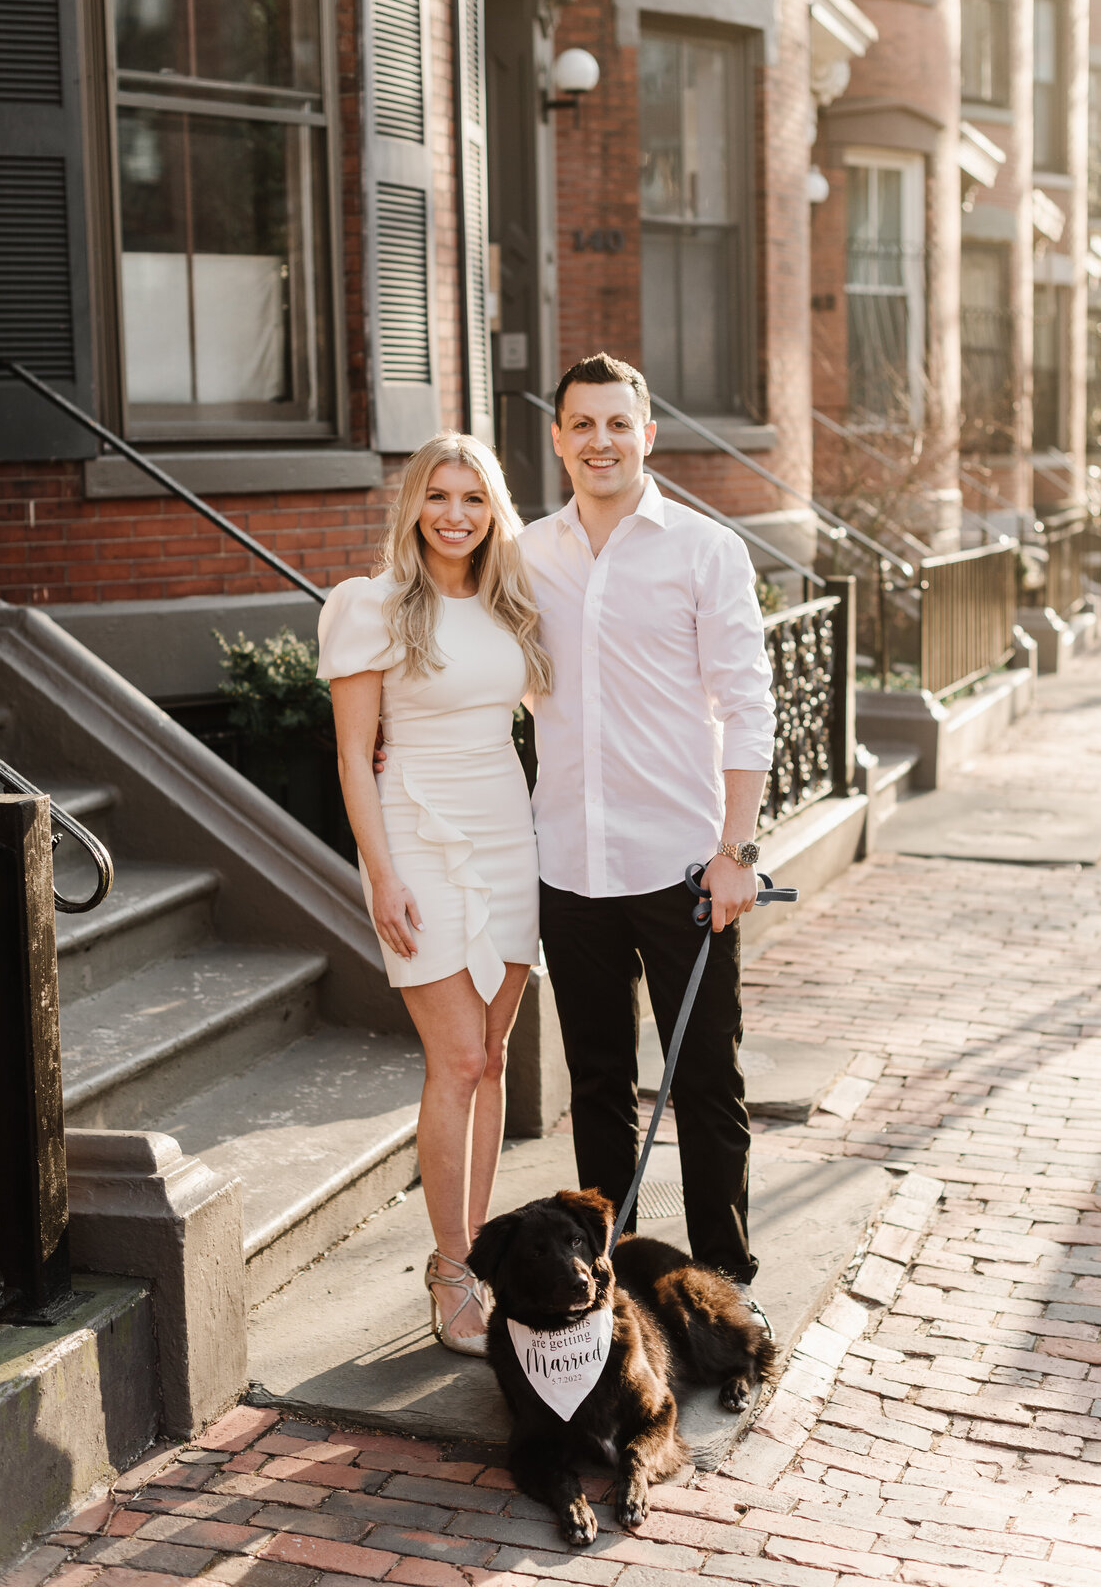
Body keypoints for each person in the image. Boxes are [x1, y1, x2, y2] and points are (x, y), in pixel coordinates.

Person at [519, 352, 776, 1292]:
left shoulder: (707, 551)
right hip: (572, 869)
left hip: (683, 871)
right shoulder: (527, 554)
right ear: (557, 439)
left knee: (707, 1086)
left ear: (648, 435)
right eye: (582, 424)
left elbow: (749, 704)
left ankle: (724, 1287)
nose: (601, 441)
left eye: (618, 423)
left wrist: (737, 852)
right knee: (596, 1089)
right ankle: (611, 1284)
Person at [318, 433, 551, 1355]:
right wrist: (382, 874)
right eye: (438, 496)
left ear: (496, 511)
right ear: (413, 503)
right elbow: (351, 754)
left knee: (492, 1061)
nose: (456, 515)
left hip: (507, 834)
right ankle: (449, 1266)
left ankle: (481, 1258)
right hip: (417, 835)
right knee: (454, 1061)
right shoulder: (371, 606)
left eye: (475, 499)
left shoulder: (514, 604)